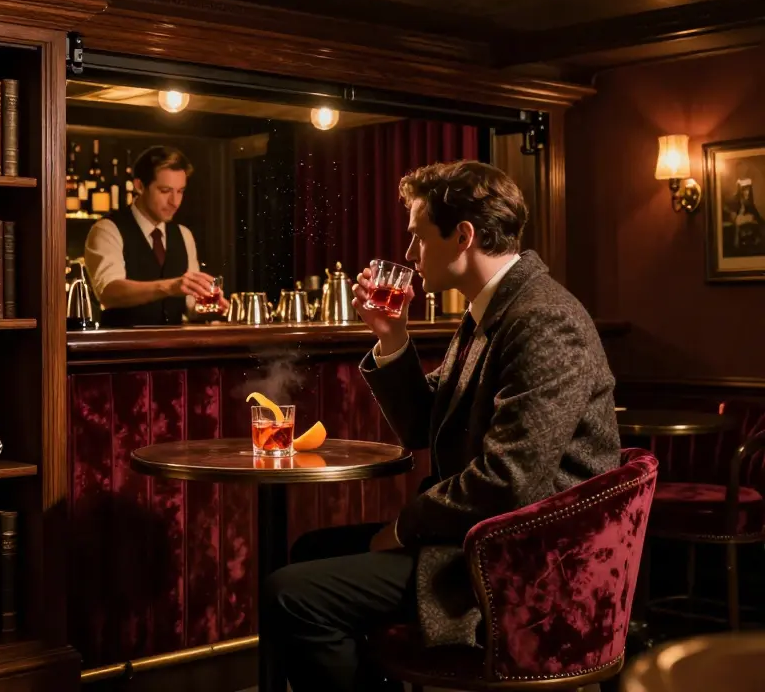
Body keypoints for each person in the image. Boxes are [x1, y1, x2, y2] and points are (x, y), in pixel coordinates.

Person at [261, 160, 621, 691]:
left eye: (418, 237)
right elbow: (423, 425)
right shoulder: (492, 310)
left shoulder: (544, 318)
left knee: (288, 593)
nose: (409, 255)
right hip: (485, 539)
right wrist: (391, 336)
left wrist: (405, 526)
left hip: (527, 564)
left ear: (463, 236)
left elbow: (509, 480)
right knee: (313, 551)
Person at [83, 145, 227, 327]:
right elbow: (109, 294)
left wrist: (210, 307)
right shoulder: (107, 230)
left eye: (180, 191)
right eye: (165, 191)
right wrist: (169, 287)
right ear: (140, 186)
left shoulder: (184, 234)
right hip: (121, 351)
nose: (175, 202)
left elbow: (190, 306)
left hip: (174, 351)